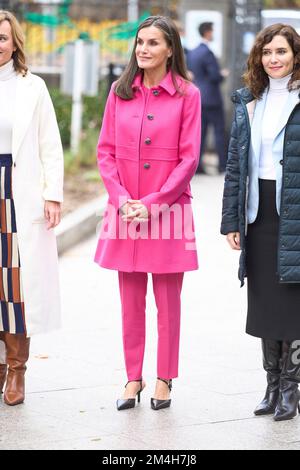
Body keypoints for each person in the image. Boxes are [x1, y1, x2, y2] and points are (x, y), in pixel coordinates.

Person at [94, 15, 200, 411]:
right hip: (124, 210)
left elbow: (189, 159)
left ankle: (164, 379)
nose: (143, 49)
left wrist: (154, 203)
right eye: (140, 42)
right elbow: (105, 152)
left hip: (169, 209)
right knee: (130, 300)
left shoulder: (189, 95)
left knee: (168, 303)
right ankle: (132, 378)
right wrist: (122, 199)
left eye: (153, 43)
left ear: (170, 49)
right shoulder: (119, 92)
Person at [221, 24, 300, 421]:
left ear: (295, 55)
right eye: (268, 52)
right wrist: (231, 221)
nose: (274, 58)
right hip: (259, 211)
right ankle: (271, 385)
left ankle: (291, 386)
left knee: (293, 301)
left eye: (282, 51)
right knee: (265, 300)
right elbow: (236, 164)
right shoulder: (251, 100)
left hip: (295, 210)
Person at [0, 11, 64, 406]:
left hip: (16, 191)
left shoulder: (32, 87)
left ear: (14, 42)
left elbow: (49, 143)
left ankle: (16, 370)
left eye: (3, 37)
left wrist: (52, 193)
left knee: (16, 285)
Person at [187, 22, 228, 174]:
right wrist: (222, 74)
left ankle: (198, 167)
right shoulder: (208, 53)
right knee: (218, 132)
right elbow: (214, 76)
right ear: (207, 32)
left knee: (200, 133)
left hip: (198, 97)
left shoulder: (193, 52)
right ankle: (222, 165)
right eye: (212, 30)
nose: (213, 33)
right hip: (212, 97)